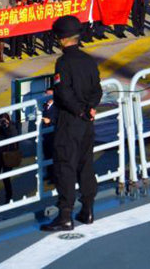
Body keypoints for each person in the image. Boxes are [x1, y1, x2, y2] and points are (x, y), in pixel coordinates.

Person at [41, 15, 103, 232]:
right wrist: (91, 108)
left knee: (65, 166)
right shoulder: (88, 60)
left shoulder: (63, 62)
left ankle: (65, 215)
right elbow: (97, 89)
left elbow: (63, 92)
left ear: (61, 39)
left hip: (70, 122)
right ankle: (88, 210)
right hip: (88, 123)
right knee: (86, 164)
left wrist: (78, 110)